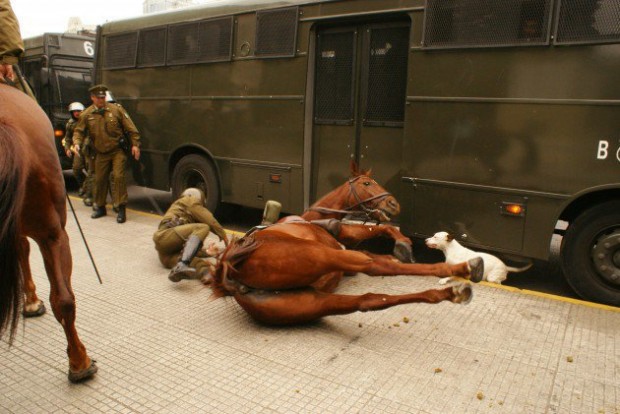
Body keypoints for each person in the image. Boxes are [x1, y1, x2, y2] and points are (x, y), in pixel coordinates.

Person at [72, 84, 141, 223]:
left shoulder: (116, 110)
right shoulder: (87, 114)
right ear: (92, 98)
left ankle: (121, 208)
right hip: (100, 152)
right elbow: (78, 131)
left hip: (117, 151)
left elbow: (131, 128)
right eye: (98, 98)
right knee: (99, 179)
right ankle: (100, 207)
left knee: (118, 176)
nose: (101, 100)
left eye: (103, 97)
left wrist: (135, 145)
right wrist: (77, 143)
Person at [153, 188, 228, 283]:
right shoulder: (189, 200)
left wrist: (207, 252)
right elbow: (208, 218)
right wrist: (223, 234)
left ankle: (205, 274)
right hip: (164, 236)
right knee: (203, 227)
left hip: (166, 256)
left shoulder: (186, 219)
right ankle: (182, 265)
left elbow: (189, 250)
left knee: (197, 262)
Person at [63, 102, 87, 196]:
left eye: (79, 111)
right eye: (74, 111)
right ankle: (84, 186)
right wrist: (67, 148)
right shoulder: (70, 123)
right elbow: (68, 138)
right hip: (78, 150)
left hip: (90, 149)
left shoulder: (88, 121)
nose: (77, 113)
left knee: (93, 172)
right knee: (76, 169)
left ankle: (88, 190)